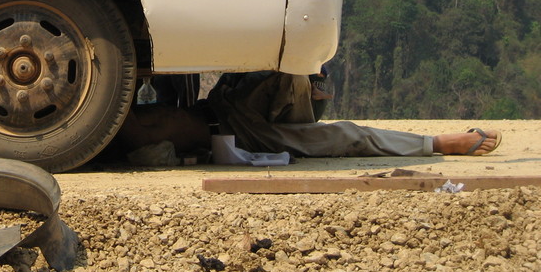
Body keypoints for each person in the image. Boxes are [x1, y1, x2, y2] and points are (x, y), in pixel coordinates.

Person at [114, 69, 502, 160]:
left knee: (287, 60)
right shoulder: (127, 134)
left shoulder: (120, 122)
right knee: (348, 134)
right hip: (246, 138)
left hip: (222, 106)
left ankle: (309, 85)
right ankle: (435, 144)